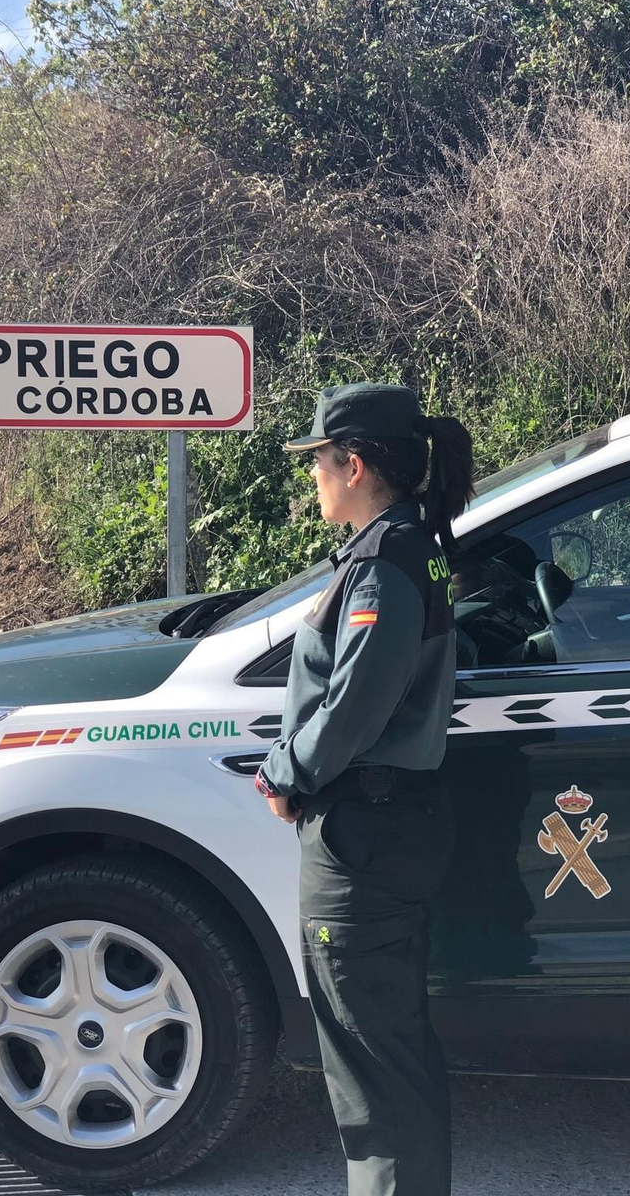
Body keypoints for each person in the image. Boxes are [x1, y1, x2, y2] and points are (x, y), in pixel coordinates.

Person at [254, 381, 475, 1196]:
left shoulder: (386, 563)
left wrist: (286, 770)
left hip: (364, 836)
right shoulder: (411, 546)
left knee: (371, 1066)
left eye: (316, 460)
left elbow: (357, 698)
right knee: (390, 1052)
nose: (310, 474)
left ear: (353, 464)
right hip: (389, 829)